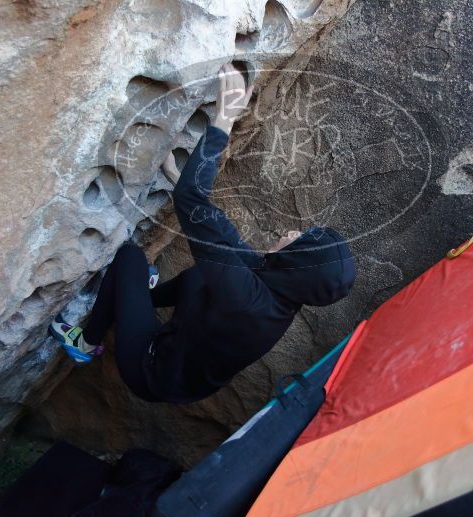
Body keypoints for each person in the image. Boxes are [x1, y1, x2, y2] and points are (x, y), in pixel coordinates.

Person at [49, 63, 355, 403]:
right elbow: (222, 234)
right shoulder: (278, 294)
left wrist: (225, 116)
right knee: (206, 271)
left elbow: (193, 204)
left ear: (296, 261)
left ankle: (85, 344)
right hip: (183, 367)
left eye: (300, 237)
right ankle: (142, 296)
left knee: (130, 259)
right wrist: (182, 180)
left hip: (149, 370)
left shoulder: (246, 298)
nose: (292, 230)